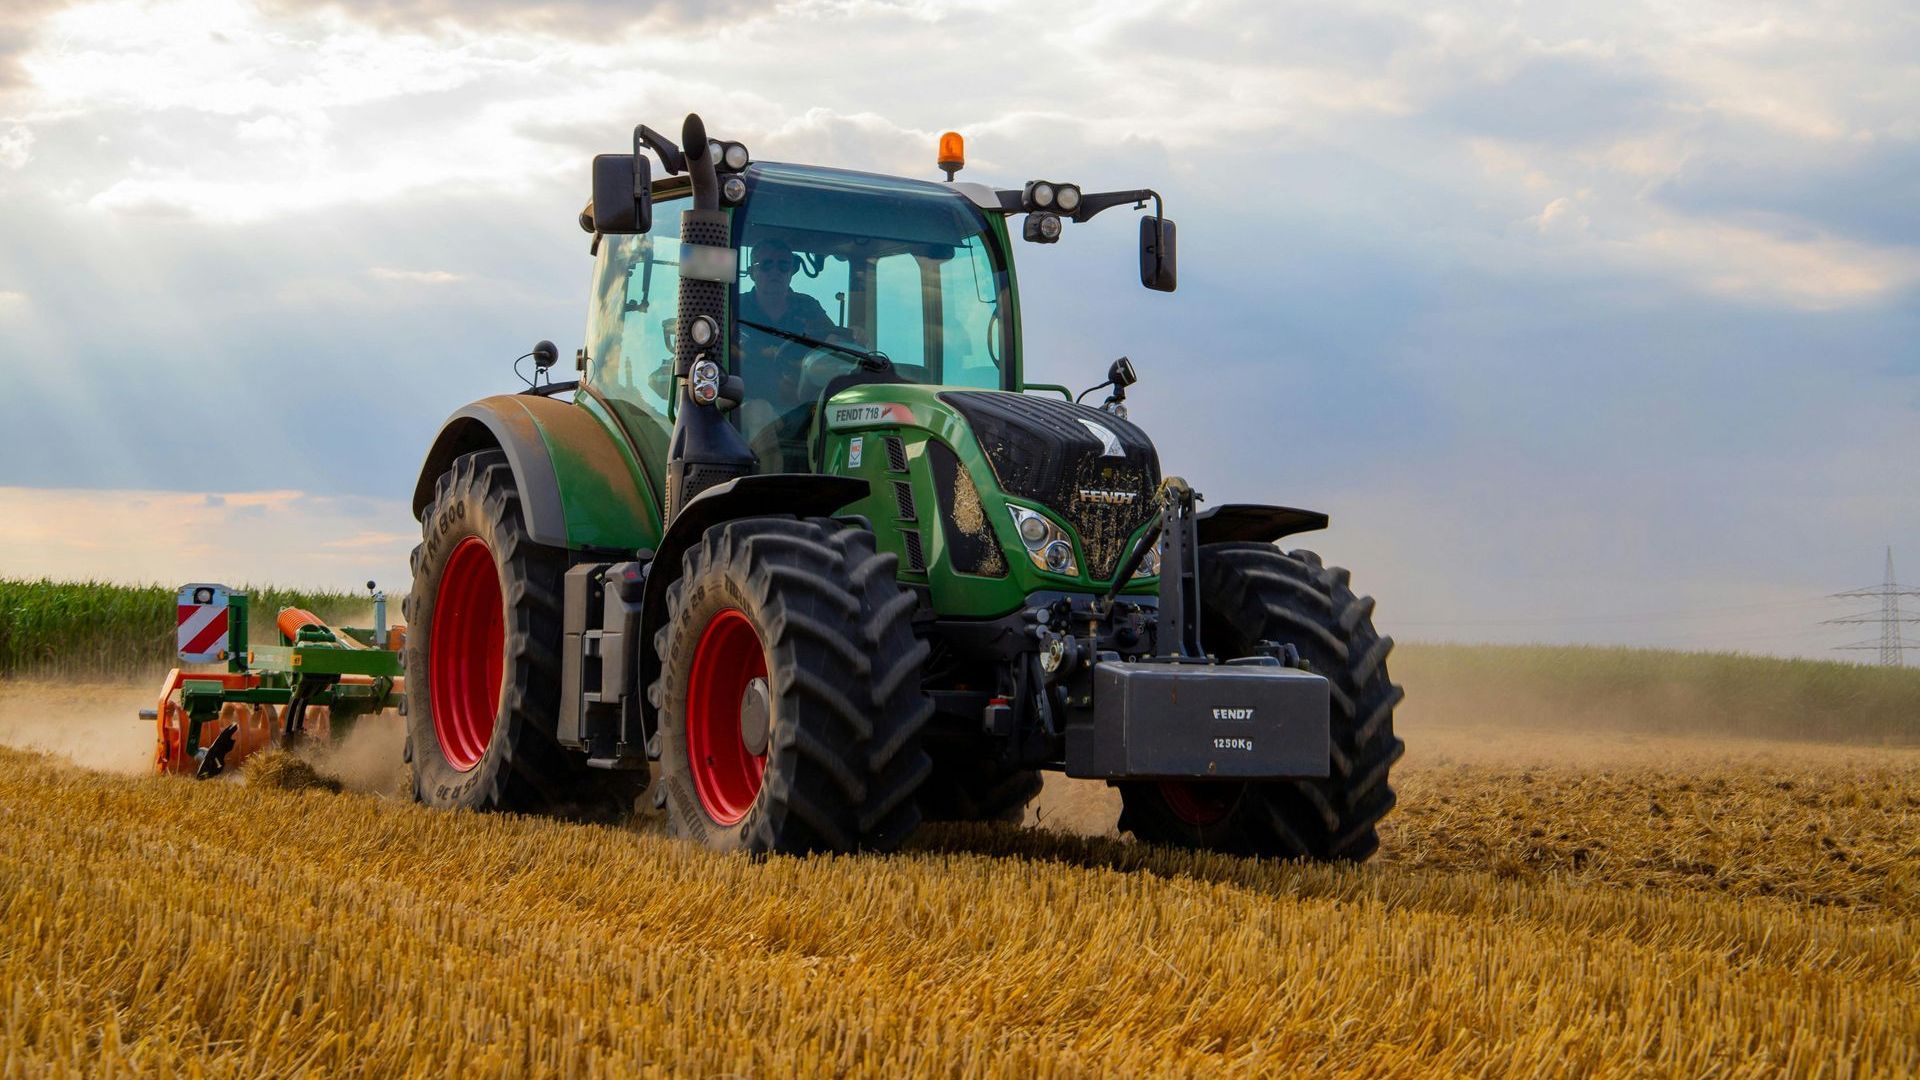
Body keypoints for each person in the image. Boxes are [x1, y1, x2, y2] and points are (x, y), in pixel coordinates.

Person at [737, 239, 836, 338]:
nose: (775, 271)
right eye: (766, 264)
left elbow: (834, 340)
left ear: (792, 271)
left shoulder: (808, 306)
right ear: (751, 272)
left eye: (783, 265)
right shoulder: (735, 305)